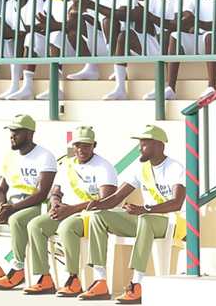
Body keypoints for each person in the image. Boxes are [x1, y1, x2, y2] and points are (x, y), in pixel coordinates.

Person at [79, 125, 186, 304]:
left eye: (144, 144)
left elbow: (177, 203)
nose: (139, 148)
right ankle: (100, 281)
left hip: (171, 222)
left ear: (159, 145)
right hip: (146, 220)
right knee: (99, 217)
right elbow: (116, 198)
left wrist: (145, 209)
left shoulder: (175, 167)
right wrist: (96, 205)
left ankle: (138, 283)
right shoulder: (140, 167)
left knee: (144, 218)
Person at [23, 126, 118, 296]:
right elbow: (55, 191)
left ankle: (73, 278)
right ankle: (45, 278)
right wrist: (55, 203)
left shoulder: (104, 167)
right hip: (65, 211)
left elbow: (105, 202)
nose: (81, 149)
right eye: (78, 145)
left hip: (90, 215)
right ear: (73, 146)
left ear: (94, 145)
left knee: (67, 227)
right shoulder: (67, 164)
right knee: (35, 225)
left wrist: (71, 210)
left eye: (86, 145)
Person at [0, 114, 57, 290]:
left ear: (29, 134)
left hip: (37, 205)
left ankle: (18, 269)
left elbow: (42, 193)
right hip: (12, 204)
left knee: (16, 219)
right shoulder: (9, 157)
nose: (12, 135)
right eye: (11, 132)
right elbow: (0, 189)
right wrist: (2, 206)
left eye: (17, 132)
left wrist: (11, 209)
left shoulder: (45, 156)